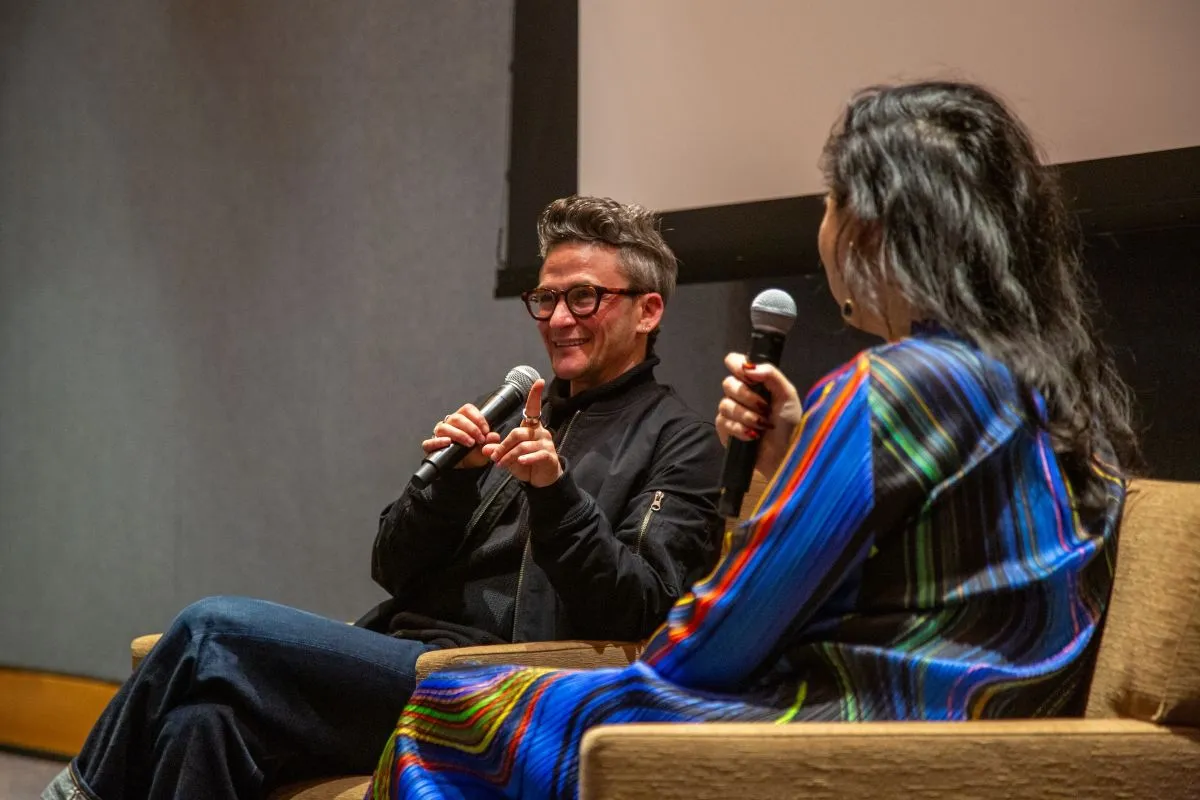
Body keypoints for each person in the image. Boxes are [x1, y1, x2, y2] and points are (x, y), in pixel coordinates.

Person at [364, 80, 1138, 799]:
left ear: (871, 226)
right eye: (548, 299)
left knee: (444, 710)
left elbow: (713, 644)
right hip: (973, 727)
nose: (823, 228)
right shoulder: (1048, 393)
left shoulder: (889, 390)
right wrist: (785, 461)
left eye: (830, 202)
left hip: (848, 726)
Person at [44, 196, 725, 800]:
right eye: (545, 299)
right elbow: (392, 568)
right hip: (401, 657)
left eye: (584, 297)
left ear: (648, 309)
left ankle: (76, 793)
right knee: (203, 723)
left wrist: (555, 494)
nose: (558, 319)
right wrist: (450, 484)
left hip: (492, 688)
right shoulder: (521, 409)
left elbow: (643, 606)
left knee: (210, 628)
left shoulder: (683, 442)